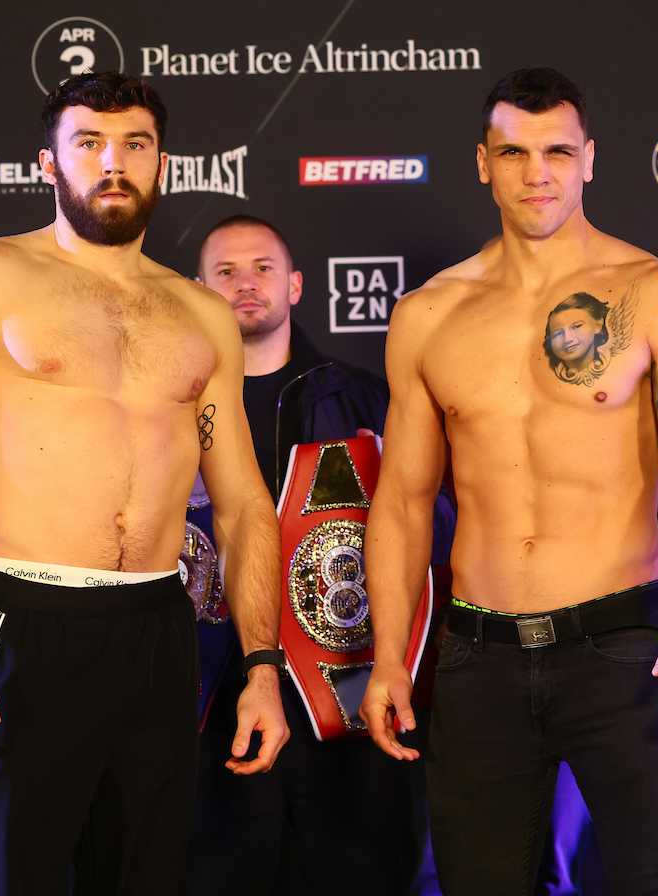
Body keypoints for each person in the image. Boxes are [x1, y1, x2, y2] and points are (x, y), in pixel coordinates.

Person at [0, 72, 288, 895]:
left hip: (157, 633)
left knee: (144, 877)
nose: (114, 162)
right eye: (89, 142)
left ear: (162, 162)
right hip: (24, 625)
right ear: (48, 163)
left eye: (135, 144)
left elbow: (241, 506)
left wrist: (262, 667)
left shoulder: (202, 314)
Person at [359, 67, 658, 895]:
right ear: (483, 163)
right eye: (515, 153)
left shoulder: (653, 293)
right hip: (478, 658)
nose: (538, 173)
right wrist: (389, 657)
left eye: (558, 152)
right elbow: (402, 501)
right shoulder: (429, 314)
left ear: (590, 160)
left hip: (624, 652)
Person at [188, 214, 452, 895]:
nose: (246, 284)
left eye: (263, 268)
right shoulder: (172, 407)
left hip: (351, 691)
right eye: (225, 272)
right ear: (198, 289)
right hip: (218, 694)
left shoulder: (366, 398)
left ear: (297, 285)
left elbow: (430, 537)